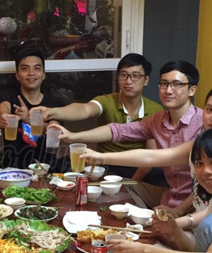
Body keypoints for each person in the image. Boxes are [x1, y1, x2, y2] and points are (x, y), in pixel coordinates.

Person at [80, 81, 212, 220]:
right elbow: (151, 157)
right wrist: (100, 157)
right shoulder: (199, 146)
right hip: (197, 223)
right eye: (209, 110)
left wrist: (180, 221)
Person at [52, 60, 203, 210]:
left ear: (192, 90)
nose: (168, 90)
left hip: (196, 203)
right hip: (169, 195)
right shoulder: (158, 119)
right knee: (124, 186)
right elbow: (119, 131)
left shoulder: (203, 123)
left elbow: (150, 157)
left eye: (176, 84)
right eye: (164, 84)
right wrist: (73, 136)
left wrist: (178, 212)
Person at [34, 53, 163, 177]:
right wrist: (51, 111)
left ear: (146, 80)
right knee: (61, 165)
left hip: (135, 165)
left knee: (159, 174)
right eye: (124, 75)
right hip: (105, 164)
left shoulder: (155, 110)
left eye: (135, 76)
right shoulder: (107, 101)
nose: (128, 81)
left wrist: (133, 183)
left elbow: (150, 157)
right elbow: (84, 109)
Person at [0, 45, 65, 169]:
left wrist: (29, 119)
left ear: (43, 74)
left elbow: (54, 131)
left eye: (37, 68)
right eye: (25, 68)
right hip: (13, 169)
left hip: (46, 169)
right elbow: (3, 108)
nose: (31, 73)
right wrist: (3, 117)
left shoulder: (55, 102)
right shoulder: (9, 97)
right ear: (17, 75)